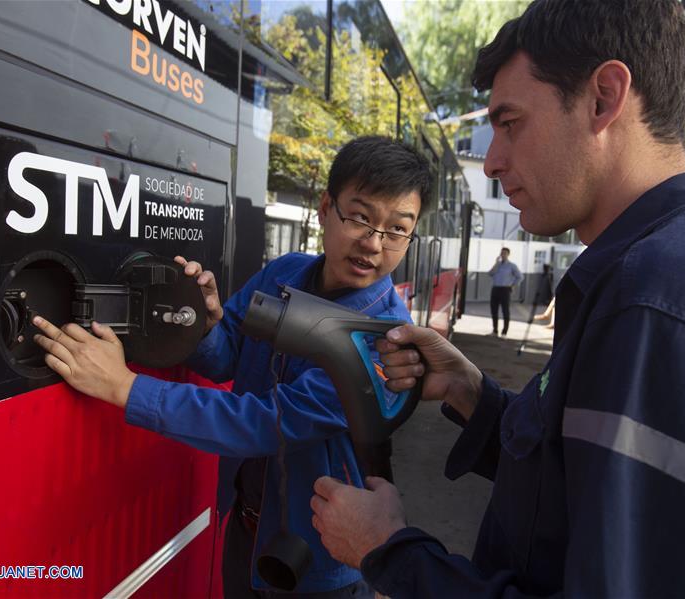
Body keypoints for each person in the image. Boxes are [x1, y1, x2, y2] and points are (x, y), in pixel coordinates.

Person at [309, 1, 685, 596]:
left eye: (509, 123)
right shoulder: (675, 268)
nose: (496, 161)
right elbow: (580, 485)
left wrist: (390, 553)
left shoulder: (658, 305)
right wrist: (470, 391)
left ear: (604, 98)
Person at [30, 136, 431, 597]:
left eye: (397, 229)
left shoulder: (388, 344)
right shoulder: (284, 273)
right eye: (360, 217)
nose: (374, 243)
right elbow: (228, 356)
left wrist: (126, 388)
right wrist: (201, 323)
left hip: (317, 566)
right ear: (325, 207)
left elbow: (266, 422)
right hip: (246, 531)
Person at [487, 247, 523, 335]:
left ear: (508, 254)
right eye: (501, 253)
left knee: (505, 310)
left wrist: (512, 285)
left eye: (504, 253)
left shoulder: (512, 266)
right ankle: (495, 330)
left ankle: (504, 332)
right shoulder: (497, 265)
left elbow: (520, 277)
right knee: (494, 310)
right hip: (495, 288)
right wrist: (496, 263)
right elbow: (490, 273)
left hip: (505, 289)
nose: (502, 255)